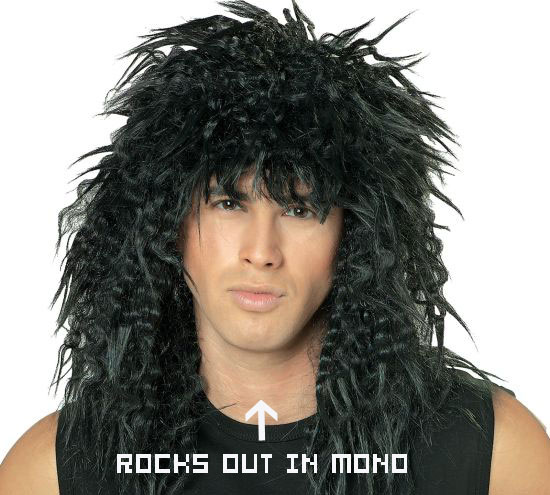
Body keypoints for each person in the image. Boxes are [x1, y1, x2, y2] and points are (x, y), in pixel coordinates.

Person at [1, 0, 549, 494]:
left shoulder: (493, 455)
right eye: (228, 203)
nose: (261, 252)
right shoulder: (55, 471)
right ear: (164, 224)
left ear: (355, 234)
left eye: (299, 209)